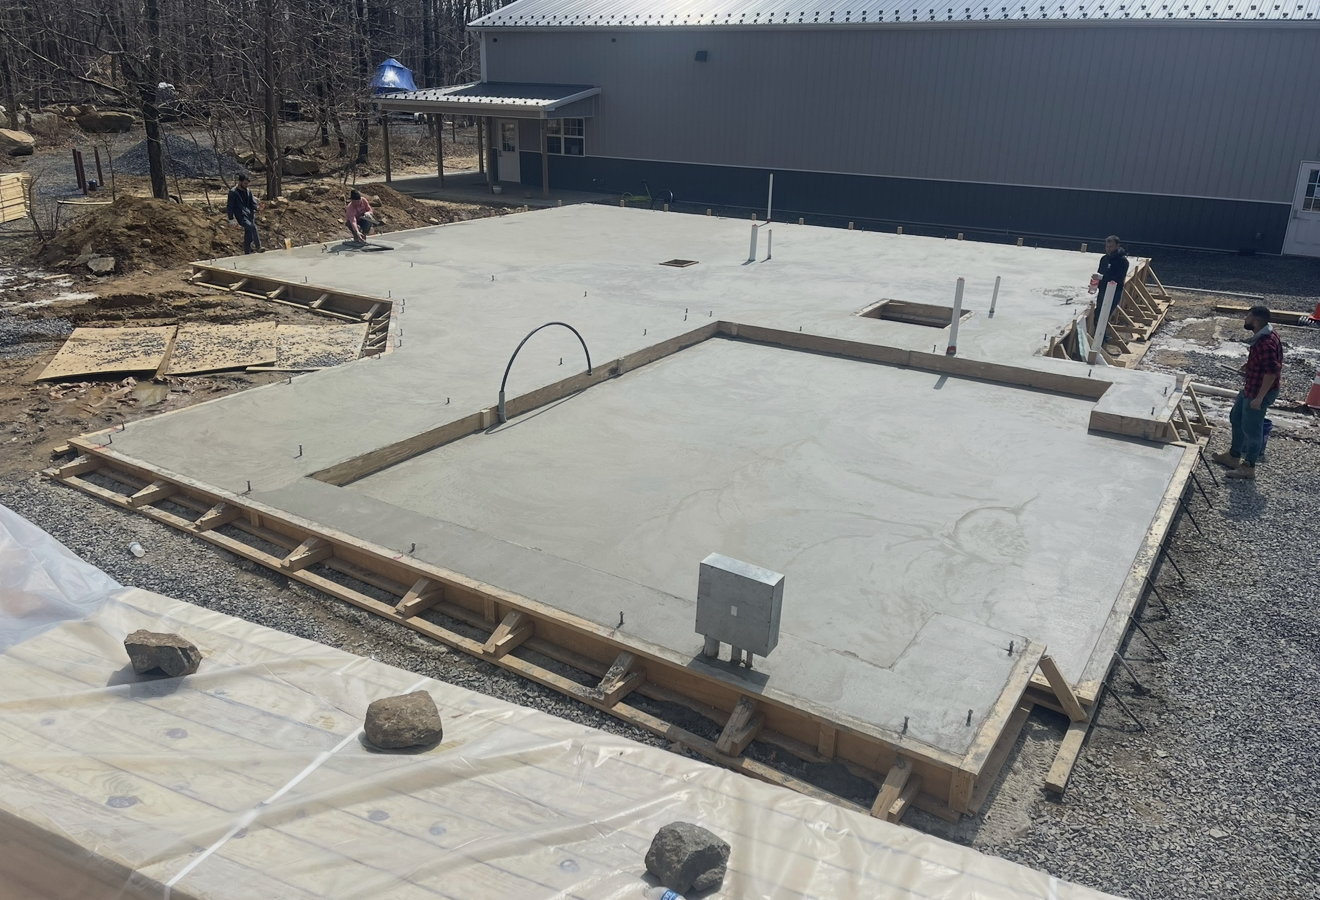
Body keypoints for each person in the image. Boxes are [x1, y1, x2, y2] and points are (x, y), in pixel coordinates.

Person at [1212, 305, 1283, 481]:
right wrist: (1249, 367)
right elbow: (1263, 365)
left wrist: (1259, 398)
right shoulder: (1263, 336)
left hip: (1259, 392)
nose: (1245, 319)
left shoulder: (1266, 343)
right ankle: (1233, 456)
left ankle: (1248, 467)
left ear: (1256, 321)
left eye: (1248, 317)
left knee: (1252, 429)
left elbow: (1272, 372)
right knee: (1236, 417)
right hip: (1251, 386)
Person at [1091, 235, 1128, 346]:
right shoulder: (1104, 259)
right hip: (1103, 291)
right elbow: (1100, 273)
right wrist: (1094, 284)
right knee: (1097, 315)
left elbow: (1118, 278)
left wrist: (1102, 277)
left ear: (1117, 246)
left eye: (1111, 247)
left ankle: (1101, 342)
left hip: (1113, 292)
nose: (1108, 249)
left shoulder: (1122, 261)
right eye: (1107, 246)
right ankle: (1102, 338)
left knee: (1103, 316)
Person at [226, 175, 262, 254]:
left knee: (249, 236)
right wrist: (231, 220)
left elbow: (252, 203)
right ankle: (258, 246)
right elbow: (230, 207)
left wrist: (257, 207)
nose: (247, 185)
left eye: (247, 184)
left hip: (250, 215)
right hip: (241, 216)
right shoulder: (233, 193)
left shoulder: (248, 191)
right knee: (253, 227)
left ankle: (247, 253)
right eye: (245, 183)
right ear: (240, 182)